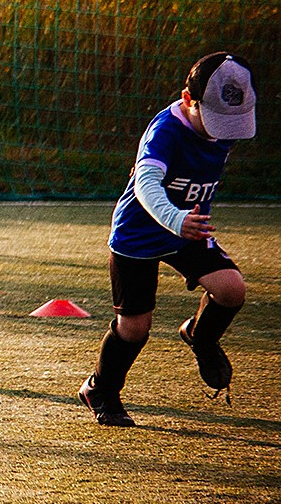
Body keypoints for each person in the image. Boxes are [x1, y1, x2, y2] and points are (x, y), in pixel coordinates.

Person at [80, 52, 257, 426]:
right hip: (139, 235)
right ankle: (101, 390)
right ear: (188, 99)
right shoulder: (166, 130)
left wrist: (183, 224)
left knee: (231, 290)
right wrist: (175, 219)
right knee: (135, 328)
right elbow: (145, 184)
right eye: (214, 120)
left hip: (187, 230)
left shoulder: (222, 129)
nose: (220, 132)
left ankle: (200, 337)